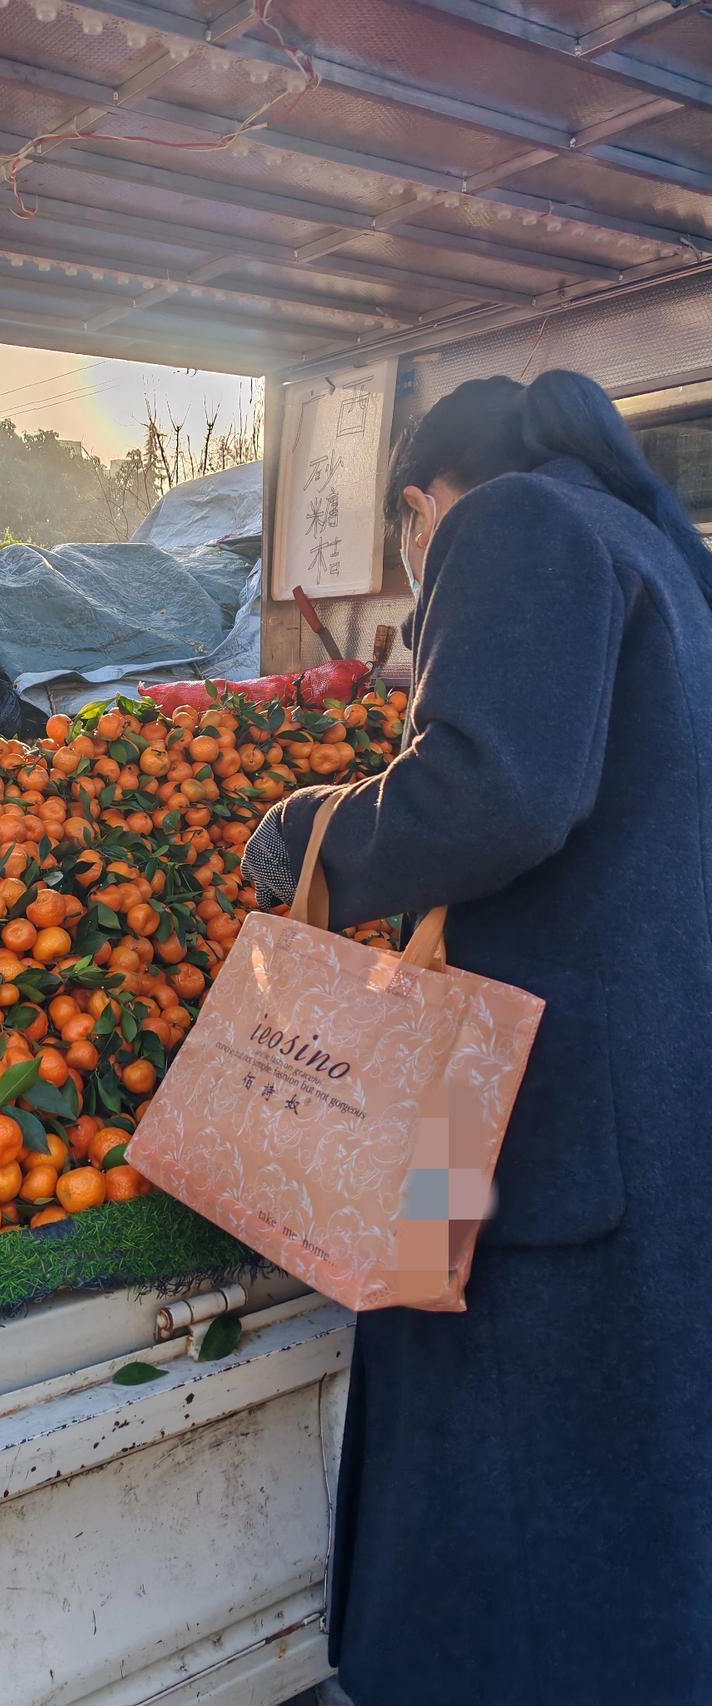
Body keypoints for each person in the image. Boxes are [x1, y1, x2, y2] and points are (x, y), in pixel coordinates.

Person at [243, 370, 712, 1706]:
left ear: (416, 506)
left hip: (519, 1103)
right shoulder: (655, 551)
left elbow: (492, 788)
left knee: (498, 1506)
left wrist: (308, 831)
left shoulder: (510, 521)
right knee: (627, 1508)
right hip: (641, 1090)